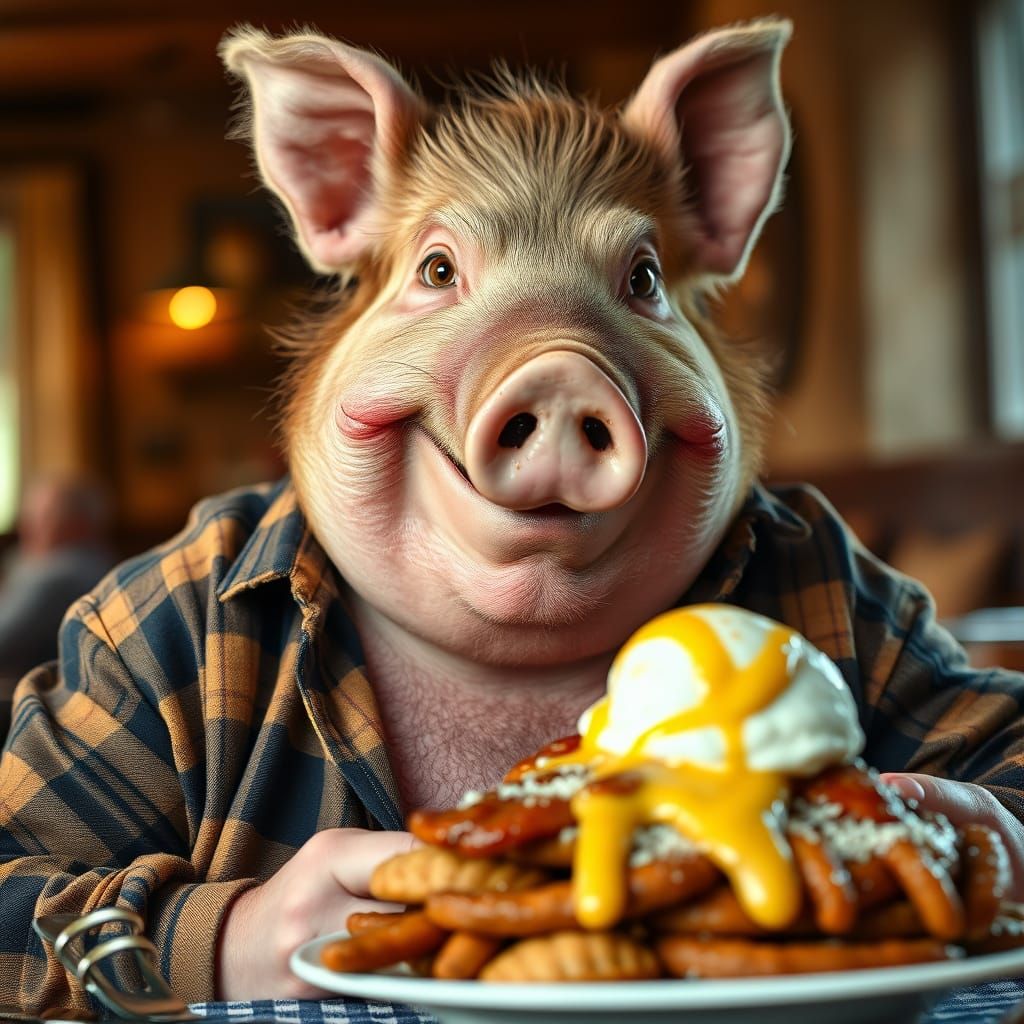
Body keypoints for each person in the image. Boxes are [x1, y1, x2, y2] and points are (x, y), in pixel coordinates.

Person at [0, 474, 113, 737]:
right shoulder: (99, 558)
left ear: (80, 525)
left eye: (45, 516)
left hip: (45, 714)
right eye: (28, 515)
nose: (27, 526)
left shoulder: (61, 576)